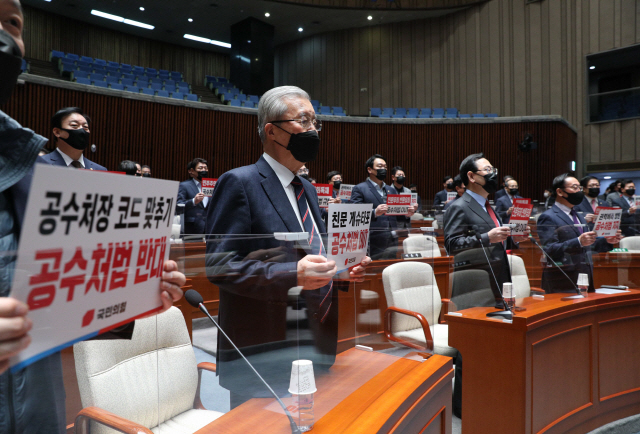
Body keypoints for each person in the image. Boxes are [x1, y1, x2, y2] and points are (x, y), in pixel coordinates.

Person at [0, 6, 185, 431]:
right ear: (58, 133)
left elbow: (58, 298)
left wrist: (128, 291)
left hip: (36, 403)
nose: (4, 35)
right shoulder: (44, 165)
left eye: (12, 23)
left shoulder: (27, 171)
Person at [205, 85, 370, 408]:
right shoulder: (239, 182)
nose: (313, 130)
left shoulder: (306, 188)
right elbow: (219, 265)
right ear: (272, 131)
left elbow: (312, 256)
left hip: (314, 342)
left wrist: (339, 271)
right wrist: (293, 273)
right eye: (303, 120)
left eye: (315, 122)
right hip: (262, 349)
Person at [444, 153, 529, 419]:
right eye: (487, 169)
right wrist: (486, 236)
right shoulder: (459, 205)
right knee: (471, 349)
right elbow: (452, 245)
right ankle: (462, 407)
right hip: (474, 283)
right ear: (471, 176)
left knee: (493, 345)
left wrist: (513, 239)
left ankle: (487, 396)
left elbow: (496, 244)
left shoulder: (489, 206)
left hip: (498, 280)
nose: (493, 174)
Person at [537, 174, 622, 293]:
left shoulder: (578, 216)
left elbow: (587, 245)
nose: (579, 191)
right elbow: (550, 249)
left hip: (584, 276)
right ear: (560, 192)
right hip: (562, 280)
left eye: (580, 188)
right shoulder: (548, 217)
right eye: (575, 187)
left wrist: (606, 240)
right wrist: (578, 241)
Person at [351, 154, 415, 259]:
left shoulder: (391, 190)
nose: (384, 169)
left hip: (392, 238)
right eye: (380, 166)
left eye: (385, 167)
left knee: (390, 267)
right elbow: (354, 213)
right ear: (369, 169)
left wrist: (406, 213)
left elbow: (395, 213)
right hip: (372, 238)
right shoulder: (360, 188)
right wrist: (374, 212)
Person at [40, 107, 106, 170]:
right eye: (74, 125)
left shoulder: (100, 170)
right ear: (57, 132)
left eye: (85, 127)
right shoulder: (40, 164)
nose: (81, 130)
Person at [177, 158, 209, 235]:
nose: (203, 170)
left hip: (209, 227)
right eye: (200, 168)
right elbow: (178, 205)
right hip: (192, 227)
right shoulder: (184, 185)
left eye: (205, 168)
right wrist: (193, 201)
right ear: (191, 171)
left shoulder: (210, 186)